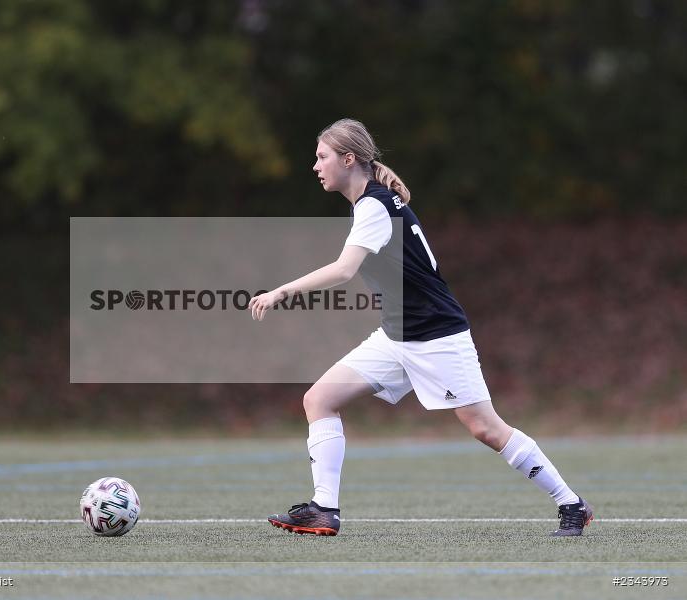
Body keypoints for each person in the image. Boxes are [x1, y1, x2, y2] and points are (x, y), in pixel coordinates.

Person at [248, 118, 593, 537]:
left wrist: (281, 291)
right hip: (396, 336)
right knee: (319, 399)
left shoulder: (375, 205)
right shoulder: (372, 203)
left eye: (322, 157)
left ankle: (571, 504)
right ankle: (324, 510)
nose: (315, 165)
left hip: (437, 336)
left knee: (486, 428)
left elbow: (344, 270)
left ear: (349, 158)